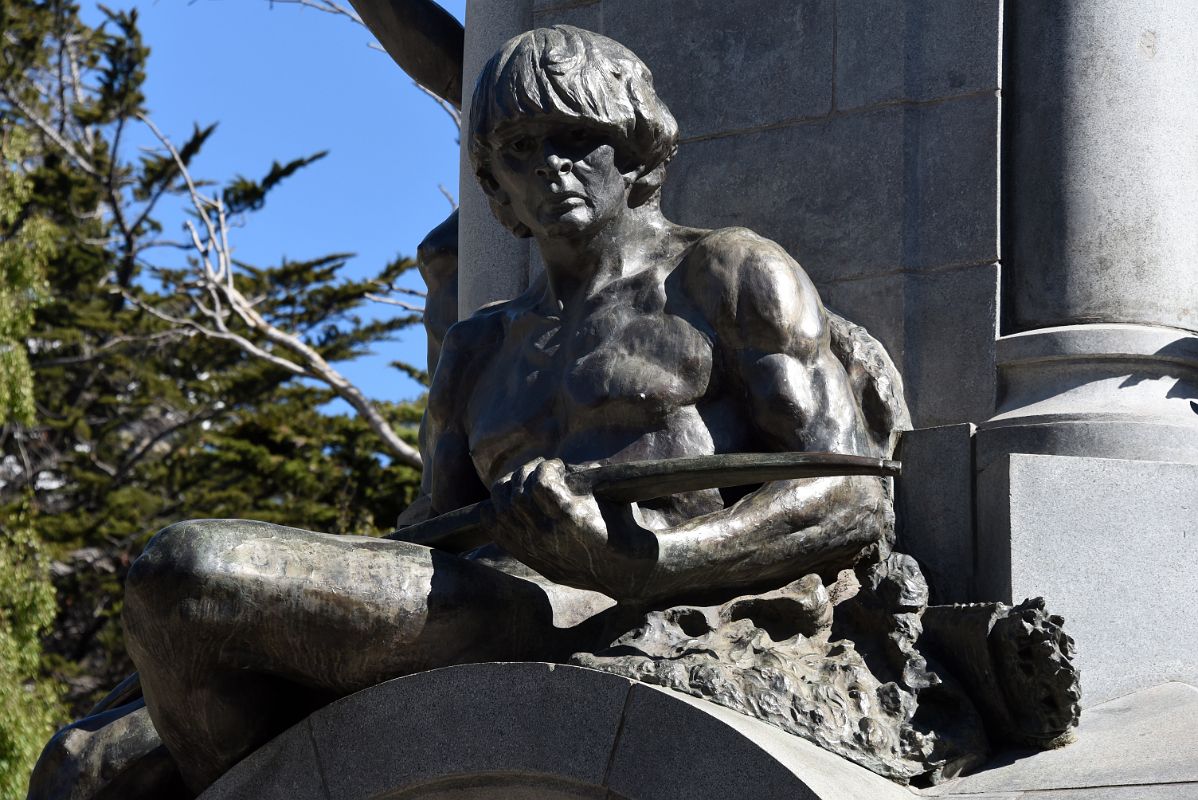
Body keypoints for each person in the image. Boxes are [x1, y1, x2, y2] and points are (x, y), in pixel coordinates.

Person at [41, 26, 1081, 800]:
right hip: (477, 603)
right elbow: (426, 542)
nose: (552, 167)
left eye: (576, 139)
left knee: (185, 567)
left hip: (612, 599)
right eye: (520, 149)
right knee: (78, 765)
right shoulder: (479, 345)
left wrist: (650, 564)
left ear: (635, 150)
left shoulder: (726, 275)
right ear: (492, 184)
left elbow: (851, 497)